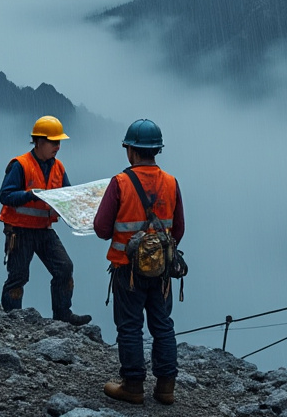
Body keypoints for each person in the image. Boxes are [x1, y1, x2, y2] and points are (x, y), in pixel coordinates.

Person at [94, 119, 184, 406]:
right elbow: (178, 228)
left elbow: (101, 228)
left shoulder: (120, 183)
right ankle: (166, 388)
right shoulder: (171, 183)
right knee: (162, 325)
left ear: (130, 150)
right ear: (157, 150)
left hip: (126, 268)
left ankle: (133, 386)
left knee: (130, 327)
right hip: (162, 272)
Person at [0, 115, 91, 326]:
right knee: (18, 276)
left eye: (59, 142)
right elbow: (5, 196)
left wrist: (82, 202)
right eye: (53, 142)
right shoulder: (20, 165)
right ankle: (12, 319)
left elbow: (65, 195)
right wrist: (31, 194)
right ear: (39, 141)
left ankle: (62, 314)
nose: (57, 147)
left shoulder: (58, 167)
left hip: (43, 229)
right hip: (20, 230)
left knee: (64, 267)